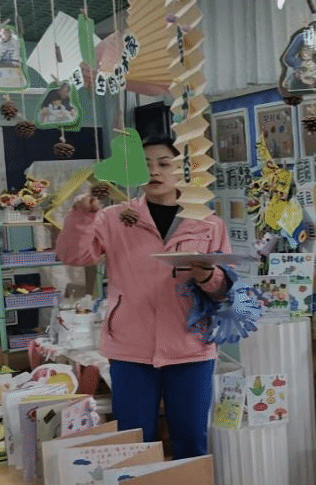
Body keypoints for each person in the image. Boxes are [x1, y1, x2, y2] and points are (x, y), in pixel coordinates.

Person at [57, 136, 231, 459]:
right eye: (145, 165)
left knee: (191, 438)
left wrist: (207, 276)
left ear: (182, 170)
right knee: (133, 442)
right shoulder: (114, 218)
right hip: (130, 348)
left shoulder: (208, 223)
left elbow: (223, 290)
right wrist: (81, 217)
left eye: (164, 164)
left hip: (191, 346)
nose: (154, 171)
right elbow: (73, 255)